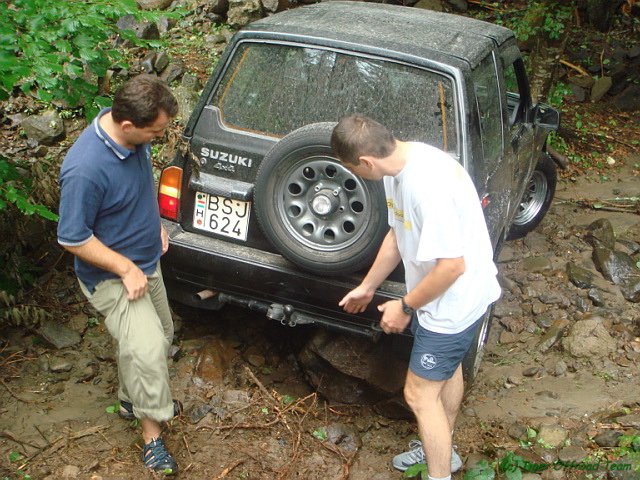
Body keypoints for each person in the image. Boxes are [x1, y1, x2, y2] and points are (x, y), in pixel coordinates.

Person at [332, 114, 501, 480]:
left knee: (419, 395)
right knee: (447, 370)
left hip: (453, 301)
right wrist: (368, 286)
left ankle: (440, 473)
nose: (355, 174)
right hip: (450, 295)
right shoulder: (399, 167)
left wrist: (406, 305)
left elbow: (452, 266)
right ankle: (444, 450)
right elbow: (398, 233)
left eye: (353, 168)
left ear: (366, 161)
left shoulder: (427, 187)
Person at [57, 75, 181, 474]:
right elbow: (72, 238)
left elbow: (135, 188)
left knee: (162, 334)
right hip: (113, 275)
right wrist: (125, 268)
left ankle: (131, 399)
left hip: (146, 261)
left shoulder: (132, 137)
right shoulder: (84, 169)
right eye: (155, 132)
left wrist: (154, 223)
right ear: (127, 125)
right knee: (147, 350)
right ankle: (152, 438)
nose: (159, 138)